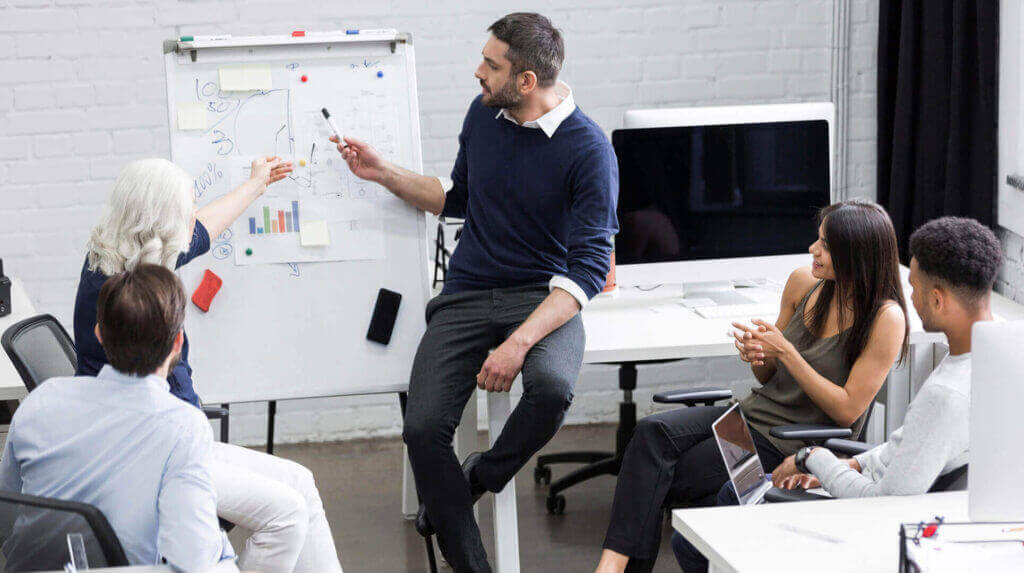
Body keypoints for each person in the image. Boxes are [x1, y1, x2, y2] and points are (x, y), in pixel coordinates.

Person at [331, 12, 618, 571]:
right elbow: (459, 196)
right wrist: (383, 172)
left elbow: (587, 272)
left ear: (526, 81)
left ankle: (478, 477)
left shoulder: (589, 150)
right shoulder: (484, 114)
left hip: (542, 296)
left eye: (491, 64)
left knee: (552, 389)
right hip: (465, 294)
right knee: (422, 428)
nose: (478, 72)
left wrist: (517, 344)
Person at [671, 216, 1001, 572]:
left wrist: (812, 457)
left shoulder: (944, 394)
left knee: (693, 536)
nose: (911, 299)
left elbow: (883, 501)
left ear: (937, 300)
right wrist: (850, 464)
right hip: (868, 482)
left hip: (867, 517)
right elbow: (905, 452)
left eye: (915, 289)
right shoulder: (991, 358)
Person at [595, 199, 910, 573]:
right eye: (818, 239)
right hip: (749, 416)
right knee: (651, 432)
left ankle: (618, 568)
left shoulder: (885, 319)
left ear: (856, 254)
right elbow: (769, 377)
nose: (813, 249)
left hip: (786, 443)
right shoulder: (803, 283)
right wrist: (760, 355)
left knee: (666, 477)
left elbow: (847, 410)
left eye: (825, 245)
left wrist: (787, 352)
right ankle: (612, 566)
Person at [73, 157, 344, 573]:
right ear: (160, 226)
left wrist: (256, 184)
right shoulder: (134, 297)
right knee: (286, 513)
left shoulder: (122, 261)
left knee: (301, 483)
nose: (193, 219)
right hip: (154, 458)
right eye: (186, 211)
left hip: (173, 441)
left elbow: (200, 232)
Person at [0, 265, 234, 570]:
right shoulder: (184, 428)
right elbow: (192, 563)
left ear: (99, 334)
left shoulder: (40, 401)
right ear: (178, 343)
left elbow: (6, 514)